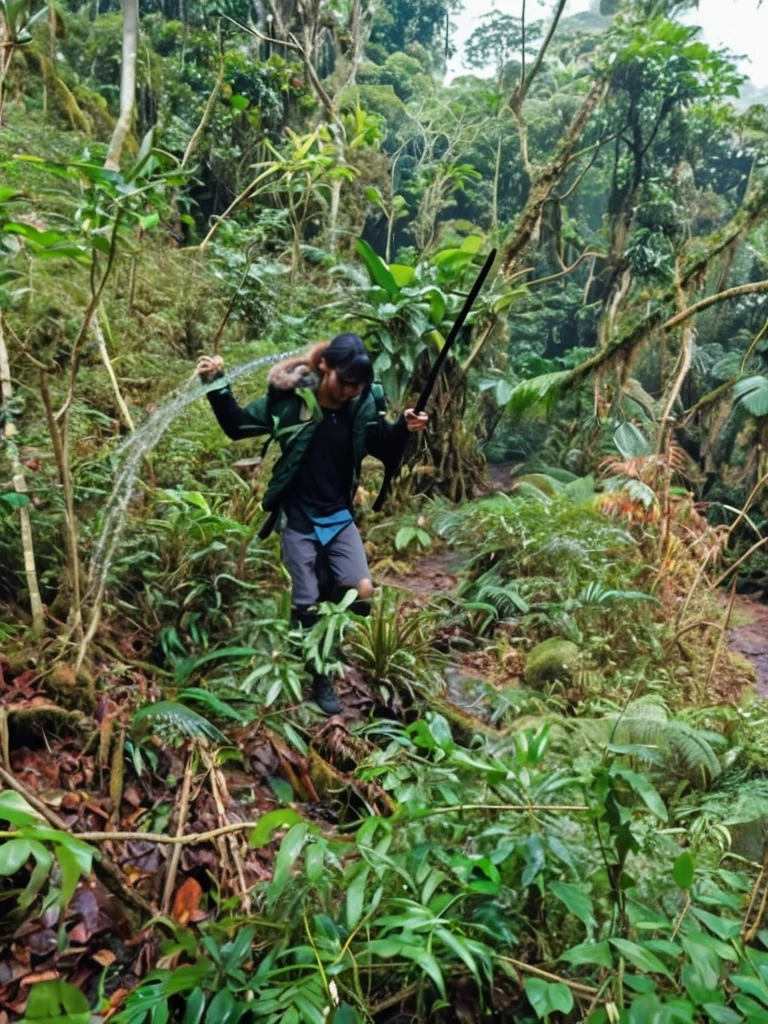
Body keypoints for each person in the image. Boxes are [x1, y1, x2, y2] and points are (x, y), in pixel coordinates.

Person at [197, 333, 428, 714]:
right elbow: (238, 427)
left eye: (359, 386)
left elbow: (380, 444)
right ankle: (319, 672)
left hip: (338, 515)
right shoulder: (290, 401)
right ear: (325, 367)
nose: (352, 391)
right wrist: (217, 383)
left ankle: (322, 638)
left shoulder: (362, 403)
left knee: (363, 591)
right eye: (346, 382)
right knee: (307, 601)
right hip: (299, 516)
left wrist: (404, 426)